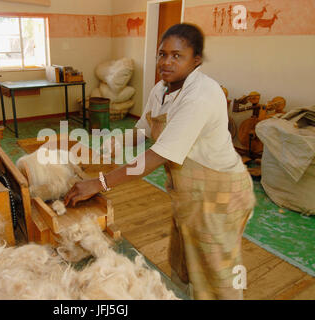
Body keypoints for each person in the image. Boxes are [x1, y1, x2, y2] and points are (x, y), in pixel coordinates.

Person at [64, 23, 255, 300]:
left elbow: (156, 156)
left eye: (177, 56)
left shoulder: (201, 95)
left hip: (220, 194)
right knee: (184, 262)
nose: (166, 62)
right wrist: (114, 143)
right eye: (162, 54)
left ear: (196, 60)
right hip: (188, 194)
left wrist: (100, 182)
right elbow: (143, 129)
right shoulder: (161, 89)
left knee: (217, 274)